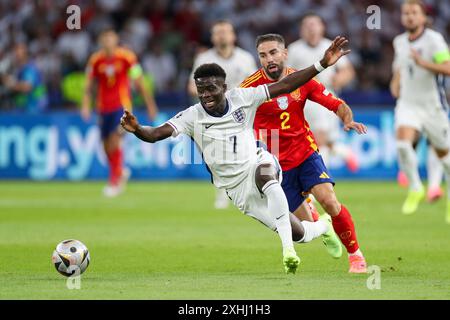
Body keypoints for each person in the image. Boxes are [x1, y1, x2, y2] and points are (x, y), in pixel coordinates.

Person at [121, 36, 351, 273]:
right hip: (237, 189)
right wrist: (137, 129)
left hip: (257, 162)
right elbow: (157, 133)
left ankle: (287, 253)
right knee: (299, 234)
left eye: (211, 89)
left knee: (267, 177)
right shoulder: (192, 116)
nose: (206, 95)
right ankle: (322, 227)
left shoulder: (242, 98)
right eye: (201, 90)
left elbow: (284, 85)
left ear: (224, 87)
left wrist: (321, 64)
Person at [243, 33, 367, 273]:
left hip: (305, 153)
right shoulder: (249, 89)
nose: (269, 59)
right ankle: (323, 225)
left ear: (285, 54)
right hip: (276, 165)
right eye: (263, 55)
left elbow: (335, 103)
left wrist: (348, 119)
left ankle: (356, 256)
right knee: (304, 228)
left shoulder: (301, 80)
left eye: (273, 52)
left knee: (330, 201)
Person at [389, 0, 450, 222]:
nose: (410, 17)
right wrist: (395, 82)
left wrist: (423, 62)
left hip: (433, 106)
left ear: (423, 17)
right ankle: (415, 187)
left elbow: (447, 68)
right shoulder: (399, 42)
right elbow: (399, 67)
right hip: (408, 103)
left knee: (445, 157)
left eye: (414, 13)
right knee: (403, 144)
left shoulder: (434, 40)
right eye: (406, 13)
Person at [188, 20, 258, 209]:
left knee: (246, 153)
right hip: (211, 116)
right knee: (215, 157)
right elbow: (191, 87)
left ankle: (247, 189)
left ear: (233, 36)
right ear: (212, 37)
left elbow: (254, 87)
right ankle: (222, 192)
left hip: (239, 116)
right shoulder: (203, 59)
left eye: (225, 32)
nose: (222, 36)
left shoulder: (245, 59)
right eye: (218, 33)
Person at [82, 28, 159, 197]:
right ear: (101, 41)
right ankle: (120, 171)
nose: (108, 41)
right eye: (105, 38)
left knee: (114, 140)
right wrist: (86, 105)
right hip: (103, 108)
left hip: (121, 107)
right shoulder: (96, 60)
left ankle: (114, 180)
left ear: (116, 39)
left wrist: (150, 105)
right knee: (105, 145)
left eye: (111, 38)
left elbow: (139, 82)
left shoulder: (127, 57)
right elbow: (89, 84)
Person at [287, 12, 358, 173]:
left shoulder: (330, 46)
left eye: (315, 25)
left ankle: (320, 179)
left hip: (324, 99)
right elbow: (286, 75)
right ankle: (345, 153)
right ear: (302, 30)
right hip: (301, 101)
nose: (311, 29)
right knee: (319, 142)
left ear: (322, 28)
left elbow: (348, 71)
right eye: (307, 26)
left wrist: (339, 79)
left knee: (320, 141)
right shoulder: (294, 50)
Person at [1, 43, 48, 113]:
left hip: (35, 108)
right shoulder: (18, 69)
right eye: (15, 52)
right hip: (25, 107)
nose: (16, 54)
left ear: (25, 53)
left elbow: (27, 87)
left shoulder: (30, 68)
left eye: (18, 52)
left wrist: (10, 84)